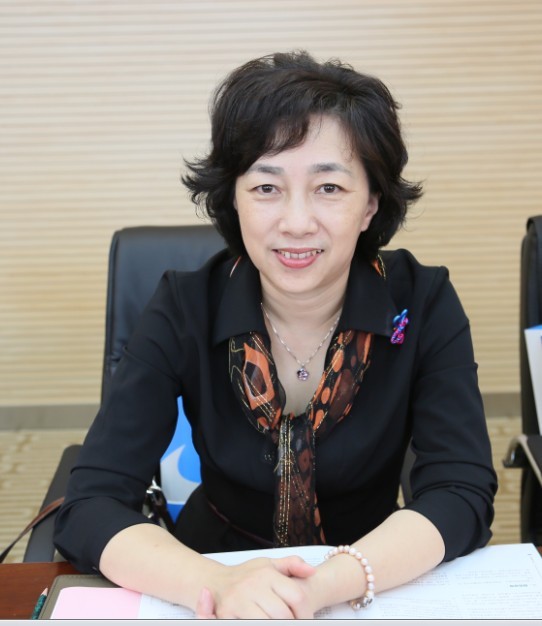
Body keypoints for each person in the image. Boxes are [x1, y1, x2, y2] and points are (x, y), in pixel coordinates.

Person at [54, 50, 497, 619]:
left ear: (370, 204)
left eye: (329, 188)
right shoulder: (185, 305)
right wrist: (218, 585)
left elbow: (460, 491)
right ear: (233, 198)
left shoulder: (423, 301)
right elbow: (91, 504)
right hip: (210, 575)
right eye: (266, 188)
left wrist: (324, 587)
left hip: (373, 577)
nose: (296, 222)